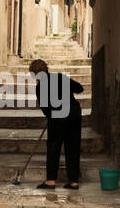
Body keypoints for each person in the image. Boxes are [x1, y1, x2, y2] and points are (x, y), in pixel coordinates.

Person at [28, 58, 83, 190]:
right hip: (74, 113)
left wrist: (53, 115)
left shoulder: (40, 87)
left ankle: (51, 181)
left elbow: (46, 109)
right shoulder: (59, 77)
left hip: (58, 115)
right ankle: (73, 181)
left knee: (53, 146)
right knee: (73, 146)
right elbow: (79, 88)